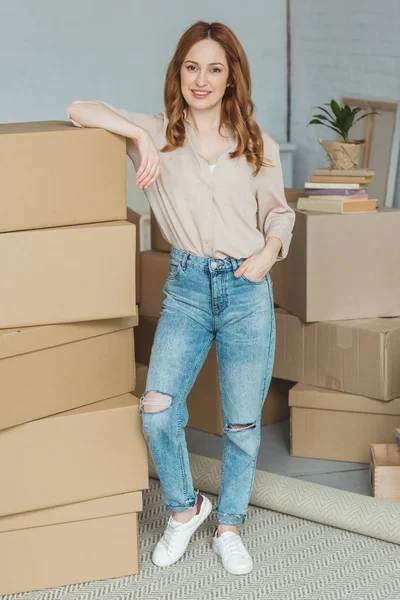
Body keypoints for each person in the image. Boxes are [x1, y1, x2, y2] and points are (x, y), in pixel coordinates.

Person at [66, 20, 295, 576]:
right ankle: (185, 508)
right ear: (179, 72)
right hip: (188, 290)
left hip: (247, 290)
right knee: (157, 411)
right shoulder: (157, 133)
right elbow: (78, 108)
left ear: (230, 77)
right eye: (192, 66)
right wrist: (141, 139)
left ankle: (231, 524)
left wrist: (270, 252)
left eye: (215, 68)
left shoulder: (255, 141)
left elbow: (278, 213)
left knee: (242, 424)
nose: (202, 79)